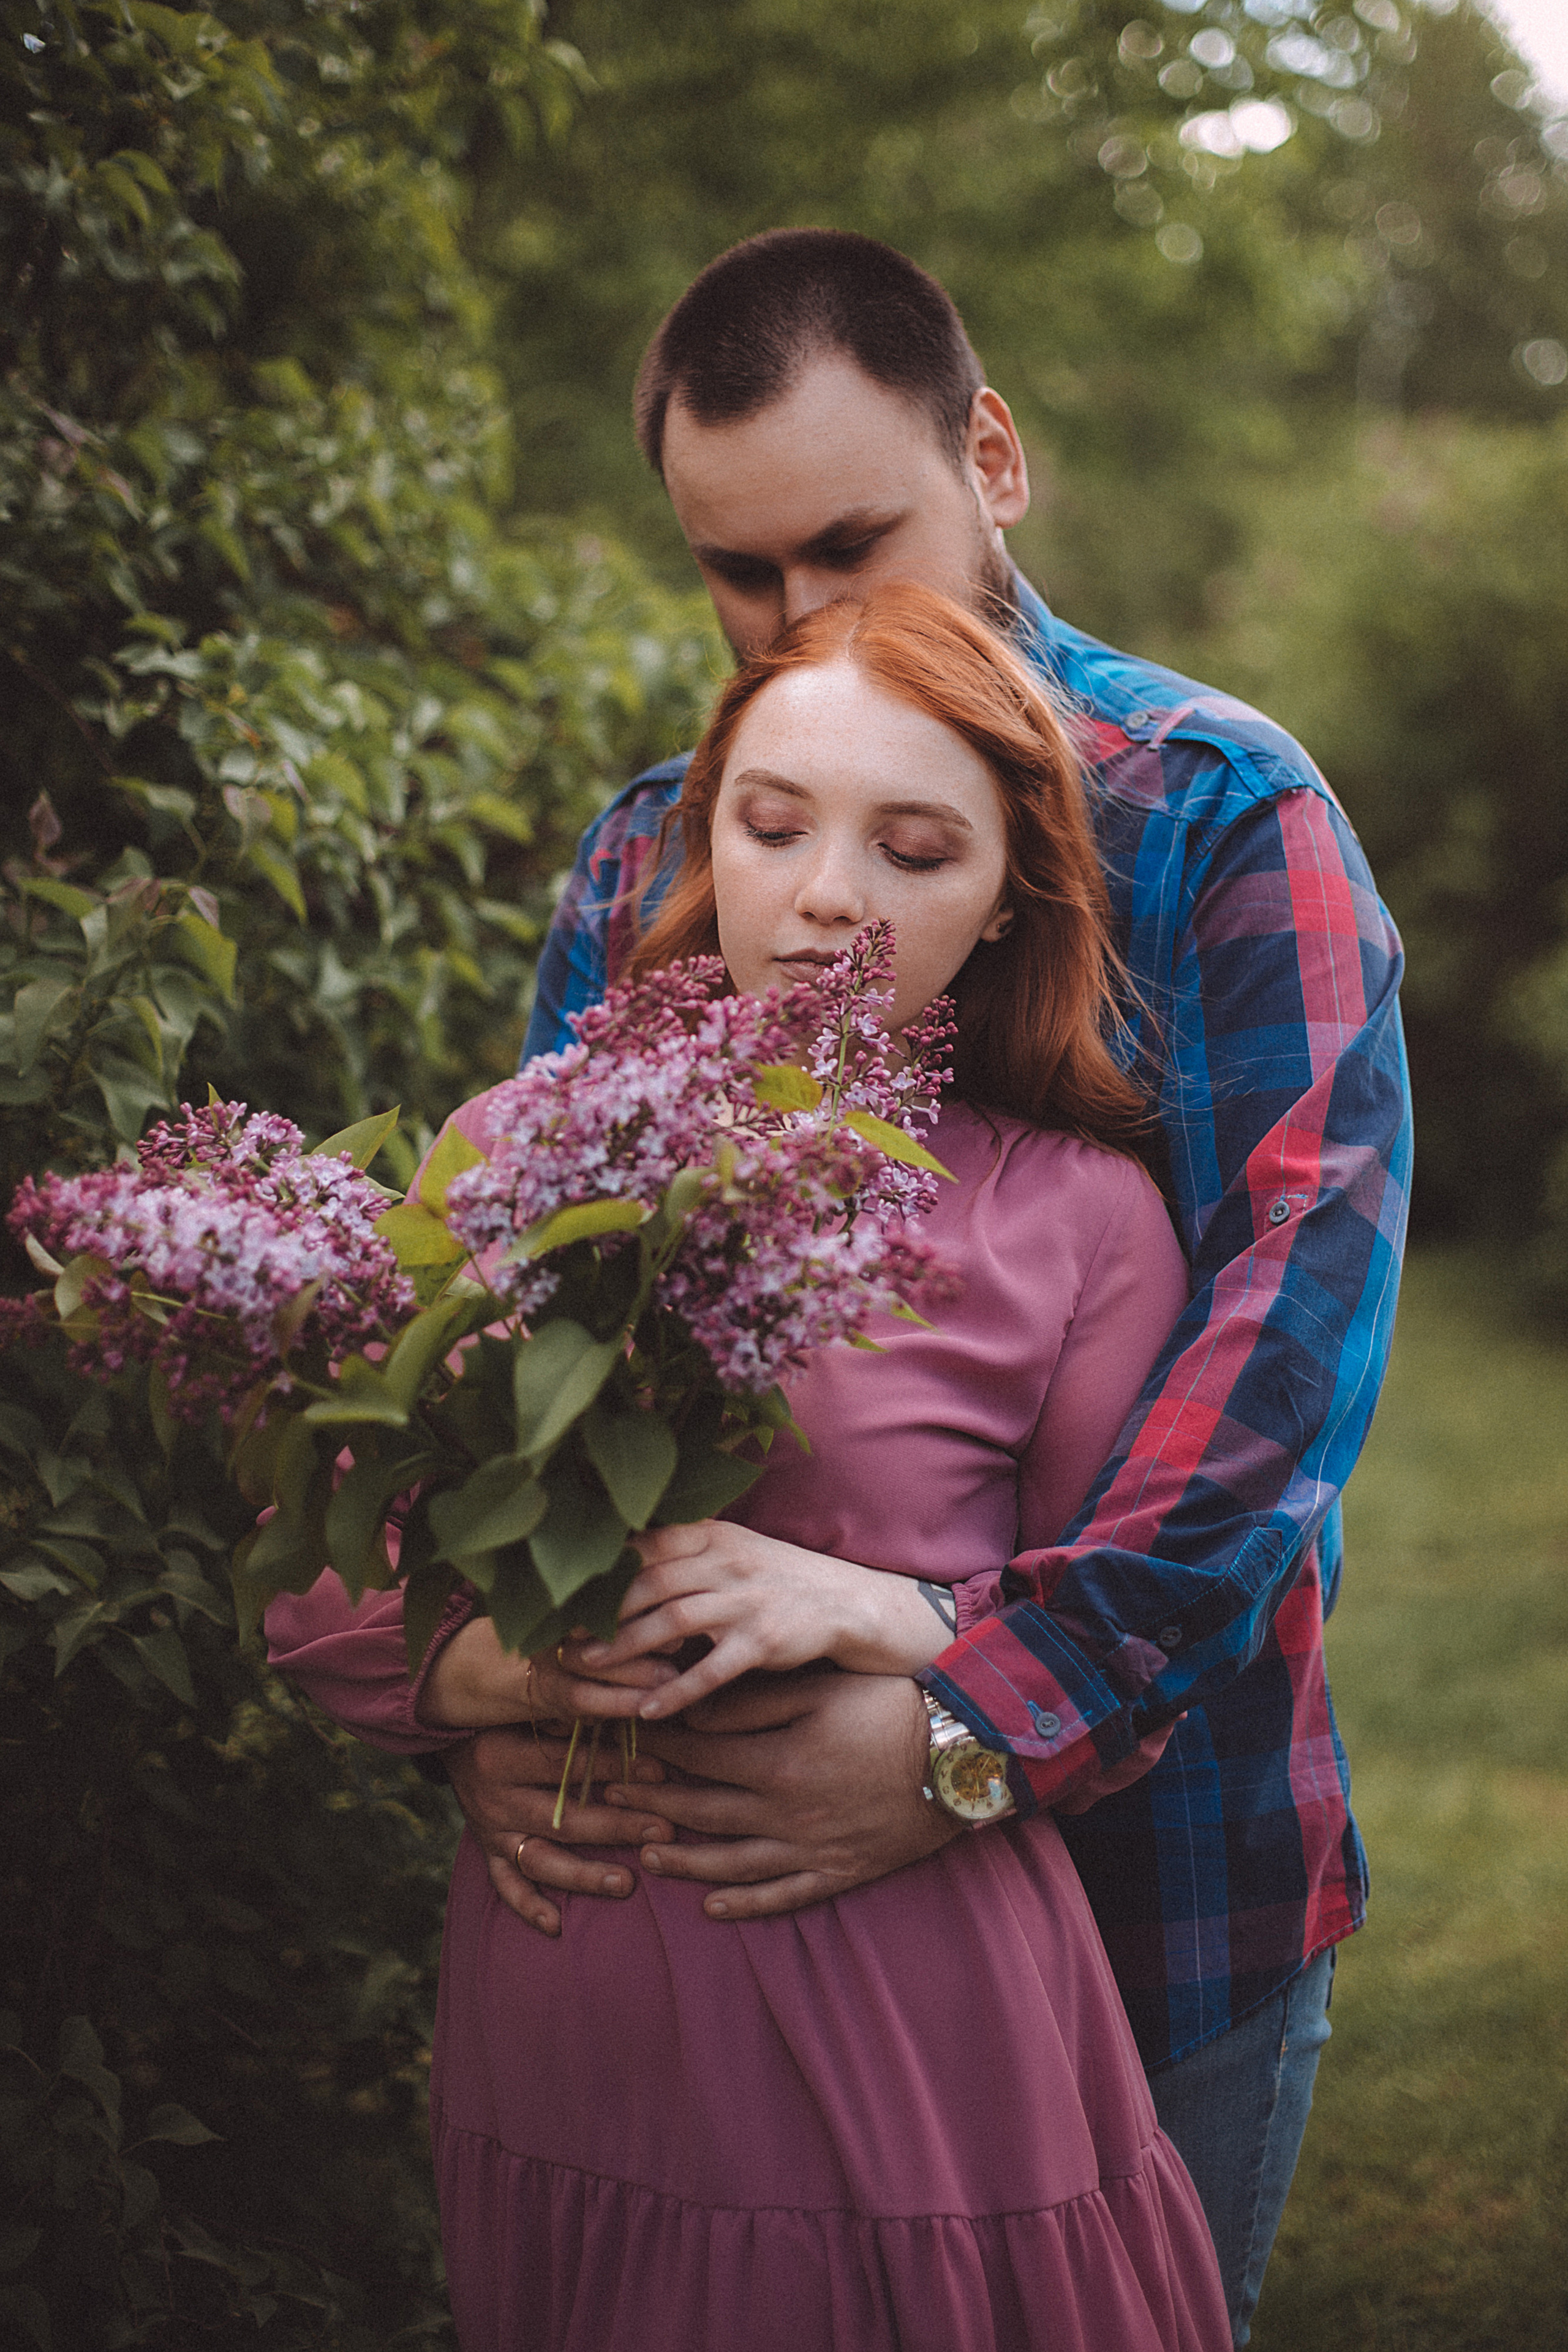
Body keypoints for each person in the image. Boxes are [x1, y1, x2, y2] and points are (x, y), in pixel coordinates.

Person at [431, 232, 1412, 2346]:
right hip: (686, 1915)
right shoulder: (649, 855)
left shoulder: (1220, 815)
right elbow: (518, 1339)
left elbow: (1286, 1350)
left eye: (851, 539)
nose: (798, 618)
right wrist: (478, 1681)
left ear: (996, 456)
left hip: (1162, 1882)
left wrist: (979, 1727)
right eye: (735, 570)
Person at [270, 583, 1232, 2351]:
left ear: (1009, 887)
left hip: (911, 1988)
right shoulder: (521, 1150)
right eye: (773, 824)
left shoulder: (1077, 1222)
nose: (828, 897)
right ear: (707, 828)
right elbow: (323, 1581)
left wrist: (879, 1607)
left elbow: (1135, 1655)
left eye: (916, 848)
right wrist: (505, 1670)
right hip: (581, 1988)